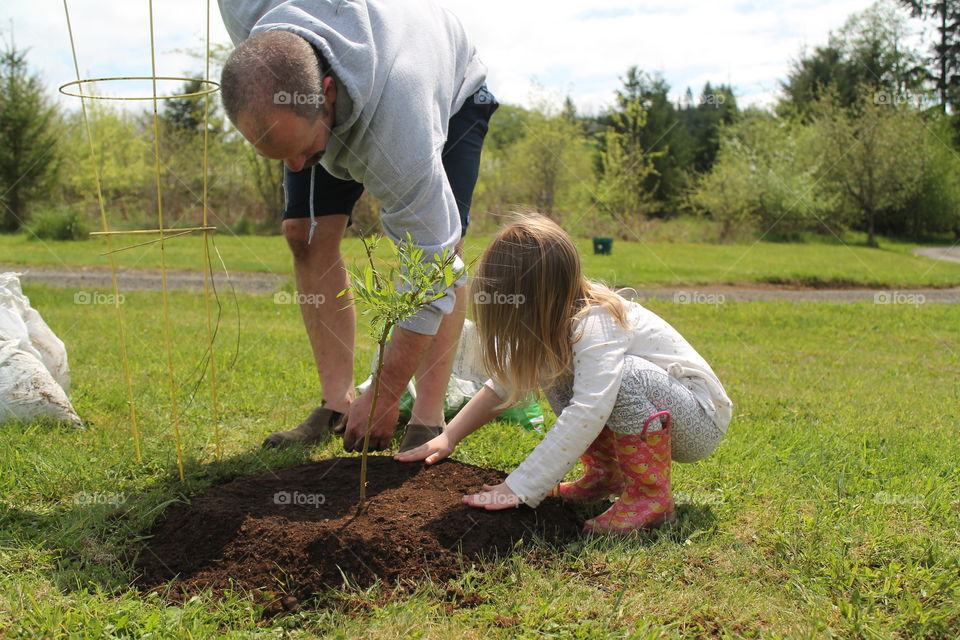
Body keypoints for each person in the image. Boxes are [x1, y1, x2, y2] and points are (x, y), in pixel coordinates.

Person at [216, 0, 498, 452]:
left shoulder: (400, 126)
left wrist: (386, 391)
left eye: (302, 148)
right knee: (304, 233)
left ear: (325, 93)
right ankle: (337, 405)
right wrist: (299, 139)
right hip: (332, 75)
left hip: (448, 89)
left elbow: (433, 264)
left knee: (446, 249)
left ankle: (426, 419)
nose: (294, 165)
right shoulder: (245, 10)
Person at [396, 215, 733, 535]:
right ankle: (605, 477)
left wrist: (520, 487)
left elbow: (588, 410)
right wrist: (449, 436)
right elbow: (505, 385)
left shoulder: (596, 322)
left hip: (699, 423)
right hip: (663, 414)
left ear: (534, 302)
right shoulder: (552, 326)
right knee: (553, 367)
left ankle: (650, 496)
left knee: (626, 376)